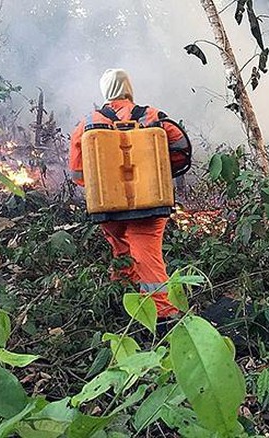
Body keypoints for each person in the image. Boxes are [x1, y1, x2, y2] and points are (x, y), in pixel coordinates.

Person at [69, 68, 184, 320]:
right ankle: (161, 317)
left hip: (108, 209)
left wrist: (104, 185)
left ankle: (122, 308)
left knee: (122, 253)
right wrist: (162, 173)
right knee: (148, 257)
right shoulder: (153, 116)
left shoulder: (88, 123)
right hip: (151, 207)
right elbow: (180, 148)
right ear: (128, 88)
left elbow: (77, 173)